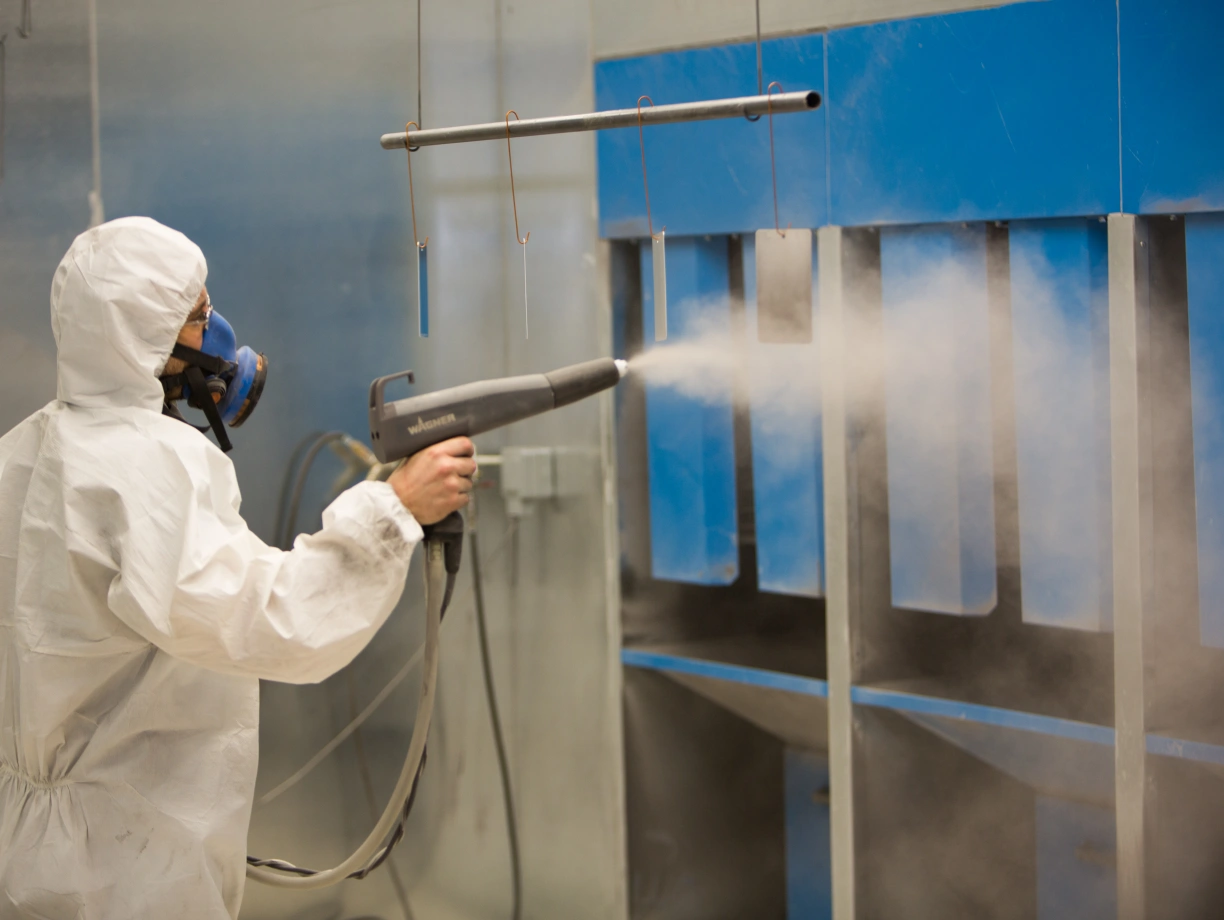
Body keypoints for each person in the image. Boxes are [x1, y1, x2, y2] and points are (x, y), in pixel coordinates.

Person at [0, 217, 476, 918]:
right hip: (128, 865)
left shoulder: (25, 446)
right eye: (196, 315)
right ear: (141, 335)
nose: (217, 330)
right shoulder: (149, 463)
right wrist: (394, 509)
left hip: (32, 848)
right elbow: (268, 619)